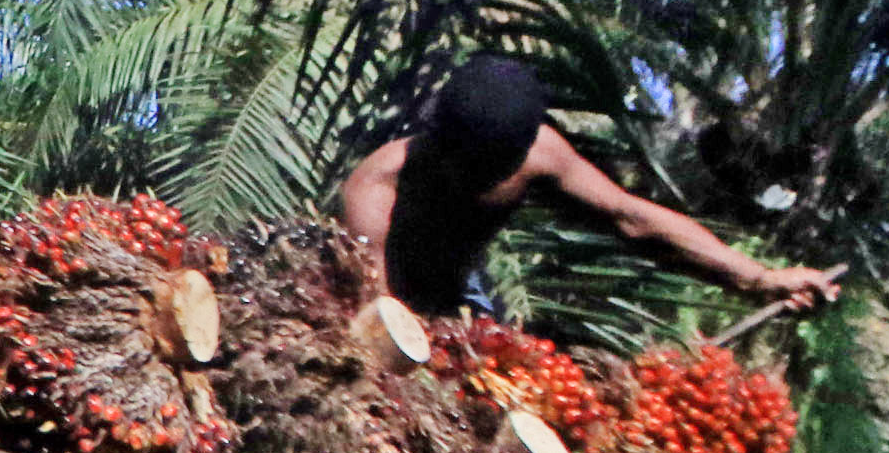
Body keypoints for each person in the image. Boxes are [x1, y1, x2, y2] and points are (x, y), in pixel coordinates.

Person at [338, 53, 847, 321]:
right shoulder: (377, 187)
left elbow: (634, 219)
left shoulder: (540, 154)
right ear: (438, 140)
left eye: (491, 169)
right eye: (463, 164)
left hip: (453, 296)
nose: (475, 179)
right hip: (374, 298)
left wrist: (758, 277)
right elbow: (375, 316)